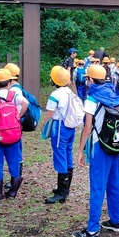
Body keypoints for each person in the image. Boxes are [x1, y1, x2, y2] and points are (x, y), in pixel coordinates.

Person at [72, 64, 119, 237]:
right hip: (114, 144)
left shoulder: (92, 99)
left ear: (89, 80)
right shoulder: (113, 94)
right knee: (114, 184)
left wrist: (80, 151)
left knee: (97, 188)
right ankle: (116, 221)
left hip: (99, 146)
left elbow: (87, 128)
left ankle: (92, 231)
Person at [0, 69, 28, 200]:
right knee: (14, 160)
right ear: (10, 82)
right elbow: (25, 103)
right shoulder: (14, 95)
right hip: (13, 133)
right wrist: (18, 116)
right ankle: (13, 191)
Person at [44, 66, 78, 204]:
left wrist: (44, 126)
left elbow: (50, 113)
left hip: (59, 127)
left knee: (60, 156)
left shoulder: (55, 95)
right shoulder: (70, 92)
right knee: (68, 154)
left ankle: (62, 193)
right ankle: (65, 188)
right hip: (70, 127)